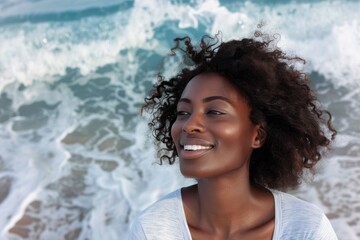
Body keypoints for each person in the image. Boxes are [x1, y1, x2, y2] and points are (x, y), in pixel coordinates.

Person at [129, 31, 338, 239]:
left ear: (258, 136)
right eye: (183, 112)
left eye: (214, 112)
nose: (189, 125)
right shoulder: (153, 230)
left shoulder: (306, 228)